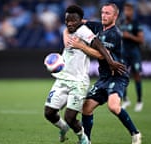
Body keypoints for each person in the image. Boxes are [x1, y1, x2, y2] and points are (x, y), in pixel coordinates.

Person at [44, 5, 126, 144]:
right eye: (67, 20)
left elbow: (98, 45)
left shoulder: (84, 31)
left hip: (78, 82)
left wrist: (110, 61)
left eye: (73, 21)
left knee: (70, 117)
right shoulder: (68, 29)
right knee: (49, 113)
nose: (69, 23)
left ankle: (84, 139)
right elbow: (66, 33)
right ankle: (63, 128)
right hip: (63, 79)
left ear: (81, 21)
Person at [68, 3, 142, 144]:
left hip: (117, 75)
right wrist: (71, 20)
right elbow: (81, 23)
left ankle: (135, 133)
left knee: (113, 107)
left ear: (115, 16)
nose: (104, 15)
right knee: (86, 107)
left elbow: (101, 55)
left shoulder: (114, 34)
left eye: (108, 13)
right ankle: (87, 140)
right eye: (102, 12)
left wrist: (80, 46)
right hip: (104, 77)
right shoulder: (97, 26)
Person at [120, 3, 144, 112]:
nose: (126, 12)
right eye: (125, 10)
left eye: (129, 10)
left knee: (137, 76)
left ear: (132, 12)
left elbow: (141, 40)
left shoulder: (136, 24)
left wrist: (129, 36)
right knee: (122, 75)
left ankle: (139, 101)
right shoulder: (121, 23)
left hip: (135, 53)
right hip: (124, 53)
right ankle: (125, 99)